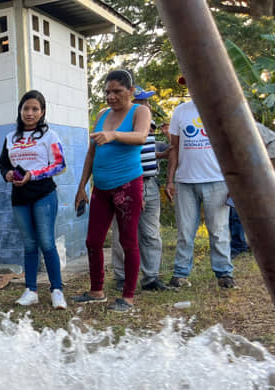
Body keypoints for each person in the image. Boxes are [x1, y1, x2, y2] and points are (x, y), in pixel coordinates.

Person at [72, 70, 151, 312]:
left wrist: (114, 134)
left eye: (117, 91)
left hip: (127, 185)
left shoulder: (140, 111)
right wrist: (82, 187)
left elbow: (141, 136)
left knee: (128, 241)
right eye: (107, 92)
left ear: (131, 91)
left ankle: (127, 297)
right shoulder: (102, 115)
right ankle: (97, 291)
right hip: (101, 188)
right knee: (93, 240)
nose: (111, 96)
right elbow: (91, 153)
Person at [0, 90, 68, 309]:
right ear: (20, 111)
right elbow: (4, 164)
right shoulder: (11, 138)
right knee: (29, 244)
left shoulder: (50, 136)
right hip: (19, 196)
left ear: (42, 112)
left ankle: (56, 290)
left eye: (35, 109)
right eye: (26, 108)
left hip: (43, 194)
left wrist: (33, 175)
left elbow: (60, 165)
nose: (29, 113)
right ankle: (31, 290)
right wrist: (8, 174)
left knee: (46, 242)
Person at [165, 83, 235, 289]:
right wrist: (170, 179)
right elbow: (174, 149)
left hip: (217, 180)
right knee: (185, 231)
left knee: (218, 230)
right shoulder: (180, 111)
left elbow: (230, 147)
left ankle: (224, 274)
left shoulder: (219, 108)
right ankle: (180, 274)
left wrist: (233, 181)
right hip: (185, 182)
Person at [111, 86, 168, 292]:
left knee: (151, 233)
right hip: (128, 183)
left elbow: (148, 153)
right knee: (123, 233)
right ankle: (121, 276)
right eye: (142, 101)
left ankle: (151, 277)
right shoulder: (121, 124)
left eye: (147, 102)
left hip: (150, 184)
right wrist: (135, 188)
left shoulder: (148, 124)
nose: (146, 106)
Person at [227, 122, 275, 258]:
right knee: (236, 208)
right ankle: (241, 243)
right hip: (249, 171)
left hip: (257, 169)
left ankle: (245, 244)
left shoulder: (244, 125)